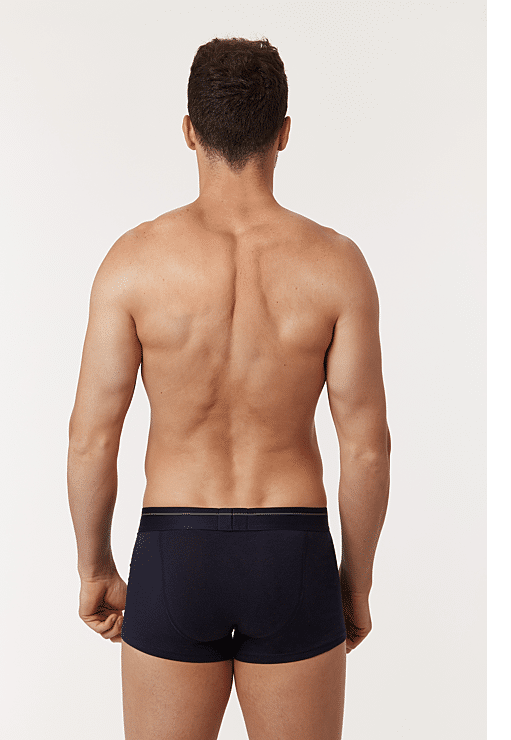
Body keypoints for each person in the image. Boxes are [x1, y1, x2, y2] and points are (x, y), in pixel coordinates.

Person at [68, 36, 391, 740]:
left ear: (189, 130)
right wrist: (354, 584)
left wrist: (95, 568)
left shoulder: (134, 262)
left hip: (174, 553)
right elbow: (367, 448)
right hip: (292, 552)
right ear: (284, 133)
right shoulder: (337, 266)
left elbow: (92, 438)